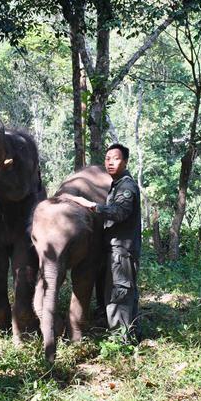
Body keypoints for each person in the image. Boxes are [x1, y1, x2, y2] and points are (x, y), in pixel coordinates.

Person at [71, 143, 142, 342]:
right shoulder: (117, 184)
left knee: (119, 294)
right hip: (117, 249)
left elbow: (119, 212)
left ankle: (121, 342)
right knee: (122, 292)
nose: (110, 162)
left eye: (116, 159)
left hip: (122, 250)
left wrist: (92, 205)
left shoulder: (126, 187)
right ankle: (131, 334)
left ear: (125, 162)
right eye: (107, 158)